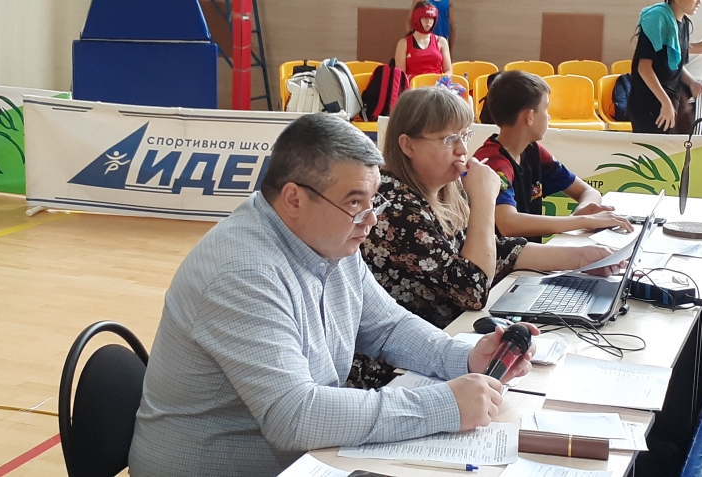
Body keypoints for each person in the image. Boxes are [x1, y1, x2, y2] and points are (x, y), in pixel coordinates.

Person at [128, 113, 539, 476]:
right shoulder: (242, 273)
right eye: (355, 202)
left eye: (373, 200)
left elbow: (387, 326)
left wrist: (463, 358)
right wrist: (444, 405)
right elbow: (293, 416)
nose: (370, 220)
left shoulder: (328, 235)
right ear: (294, 198)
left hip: (301, 458)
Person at [347, 88, 616, 389]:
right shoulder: (394, 208)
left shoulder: (445, 188)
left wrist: (579, 258)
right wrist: (486, 199)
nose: (463, 150)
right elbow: (472, 289)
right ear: (408, 145)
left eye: (465, 135)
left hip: (447, 345)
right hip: (396, 371)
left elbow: (494, 250)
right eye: (449, 139)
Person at [473, 70, 634, 243]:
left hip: (527, 254)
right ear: (529, 117)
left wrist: (582, 212)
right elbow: (508, 223)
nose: (548, 116)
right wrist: (582, 221)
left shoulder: (533, 151)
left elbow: (588, 191)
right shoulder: (493, 163)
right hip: (495, 257)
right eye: (546, 108)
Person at [627, 0, 702, 134]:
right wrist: (665, 102)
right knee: (654, 147)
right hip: (650, 101)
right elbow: (644, 67)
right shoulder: (656, 19)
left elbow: (675, 65)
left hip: (670, 98)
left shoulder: (684, 23)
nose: (700, 2)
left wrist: (692, 82)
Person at [395, 2, 452, 81]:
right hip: (414, 86)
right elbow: (400, 75)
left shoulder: (441, 41)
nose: (428, 22)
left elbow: (449, 71)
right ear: (416, 18)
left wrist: (439, 82)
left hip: (437, 86)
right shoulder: (404, 43)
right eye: (425, 18)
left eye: (431, 18)